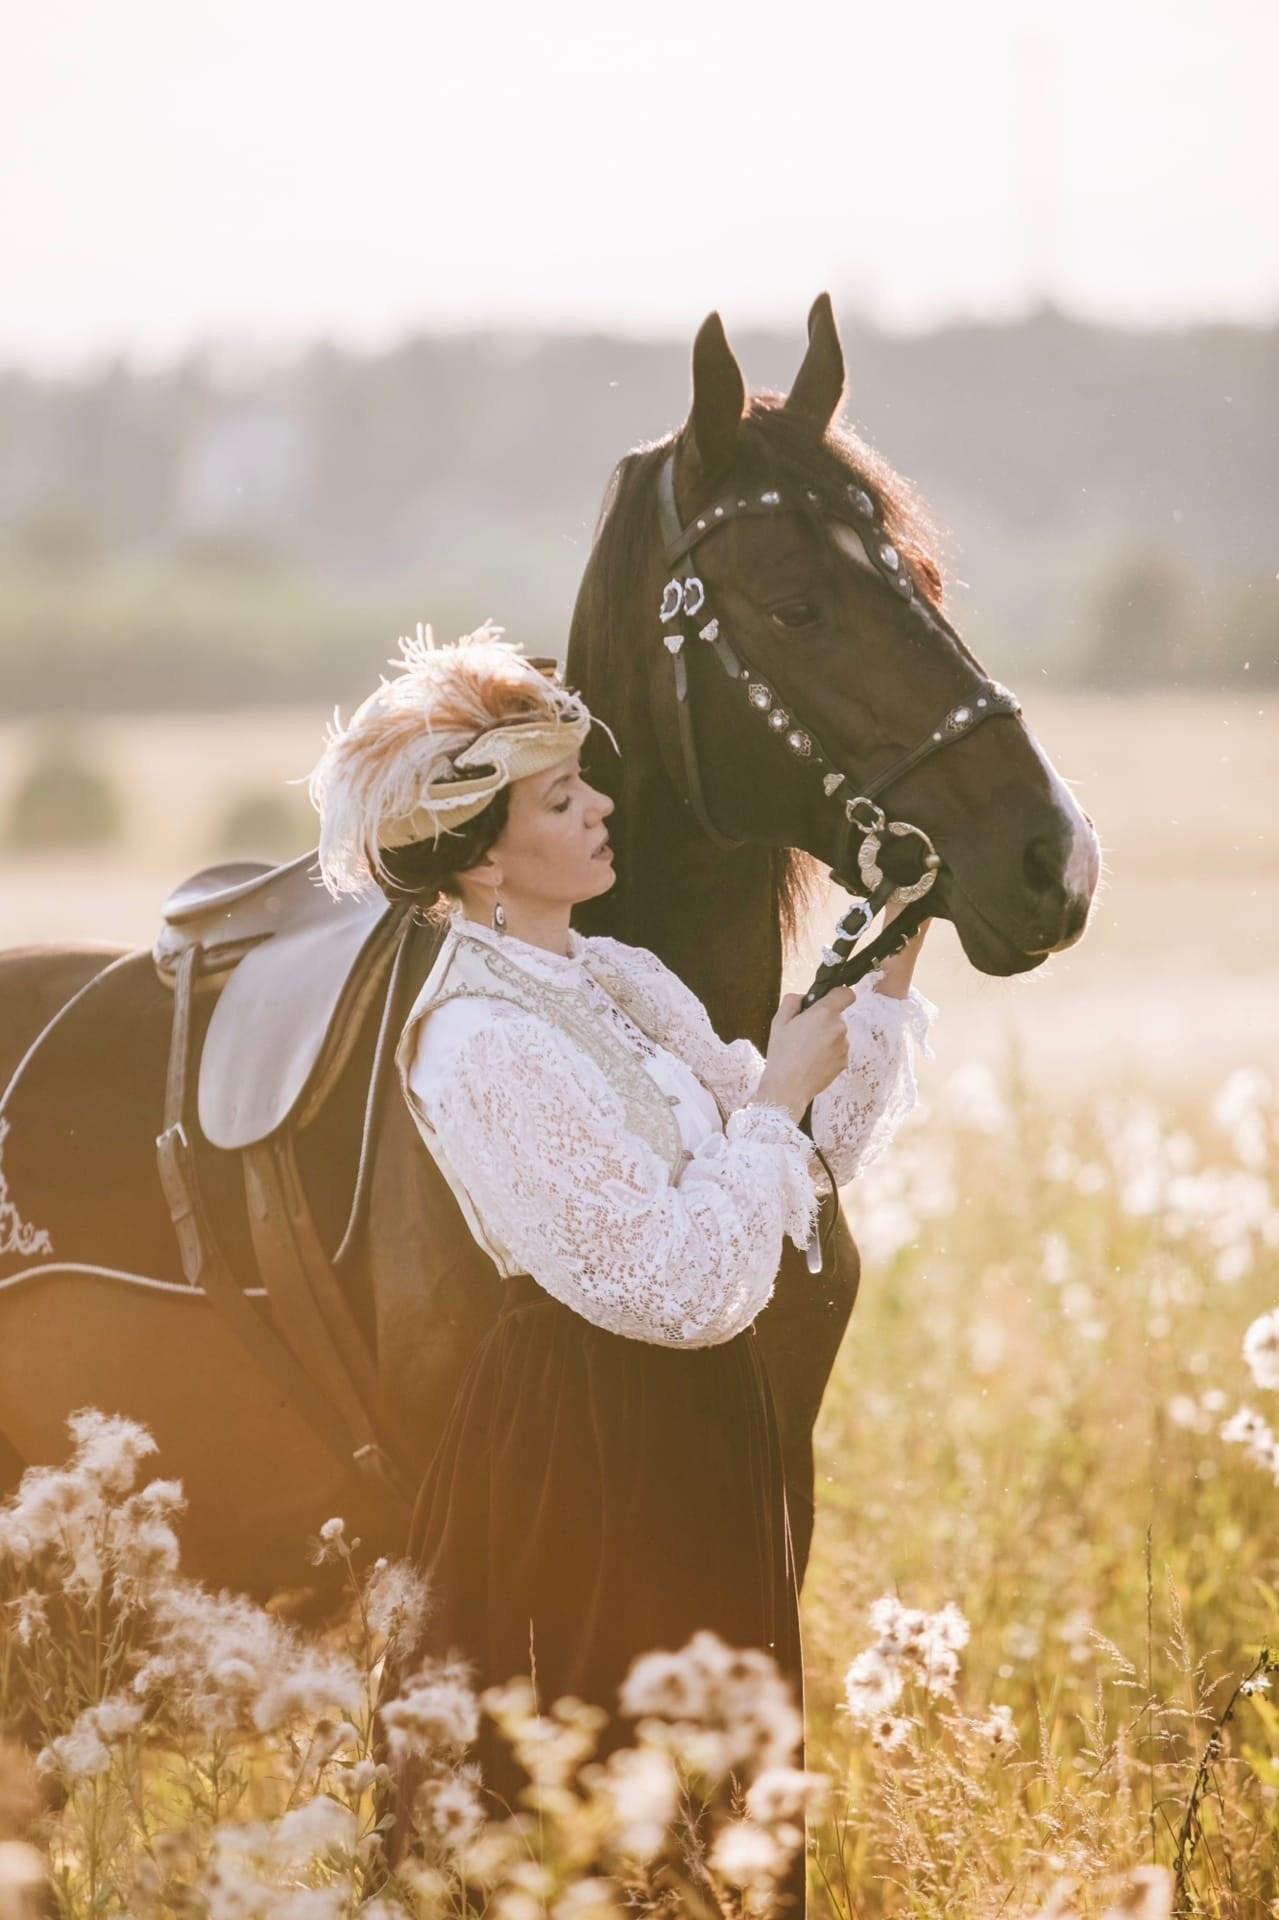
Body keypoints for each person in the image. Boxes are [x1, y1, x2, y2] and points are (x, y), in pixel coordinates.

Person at [308, 620, 935, 1893]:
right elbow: (677, 1283)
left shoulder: (620, 979)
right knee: (608, 1830)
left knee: (716, 1833)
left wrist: (877, 977)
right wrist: (769, 1105)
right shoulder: (478, 1041)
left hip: (694, 1433)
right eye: (561, 796)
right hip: (589, 1458)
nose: (602, 805)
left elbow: (797, 1173)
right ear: (484, 856)